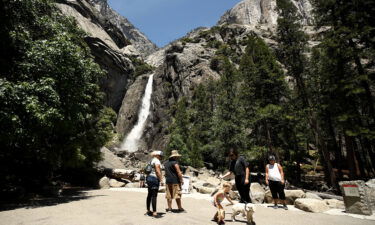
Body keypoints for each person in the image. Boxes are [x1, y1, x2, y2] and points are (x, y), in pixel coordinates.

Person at [145, 150, 164, 217]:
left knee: (149, 195)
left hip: (149, 178)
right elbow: (158, 171)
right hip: (154, 178)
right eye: (161, 156)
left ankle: (148, 210)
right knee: (154, 195)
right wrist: (161, 180)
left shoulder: (152, 160)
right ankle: (154, 212)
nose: (162, 157)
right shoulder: (157, 161)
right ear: (157, 155)